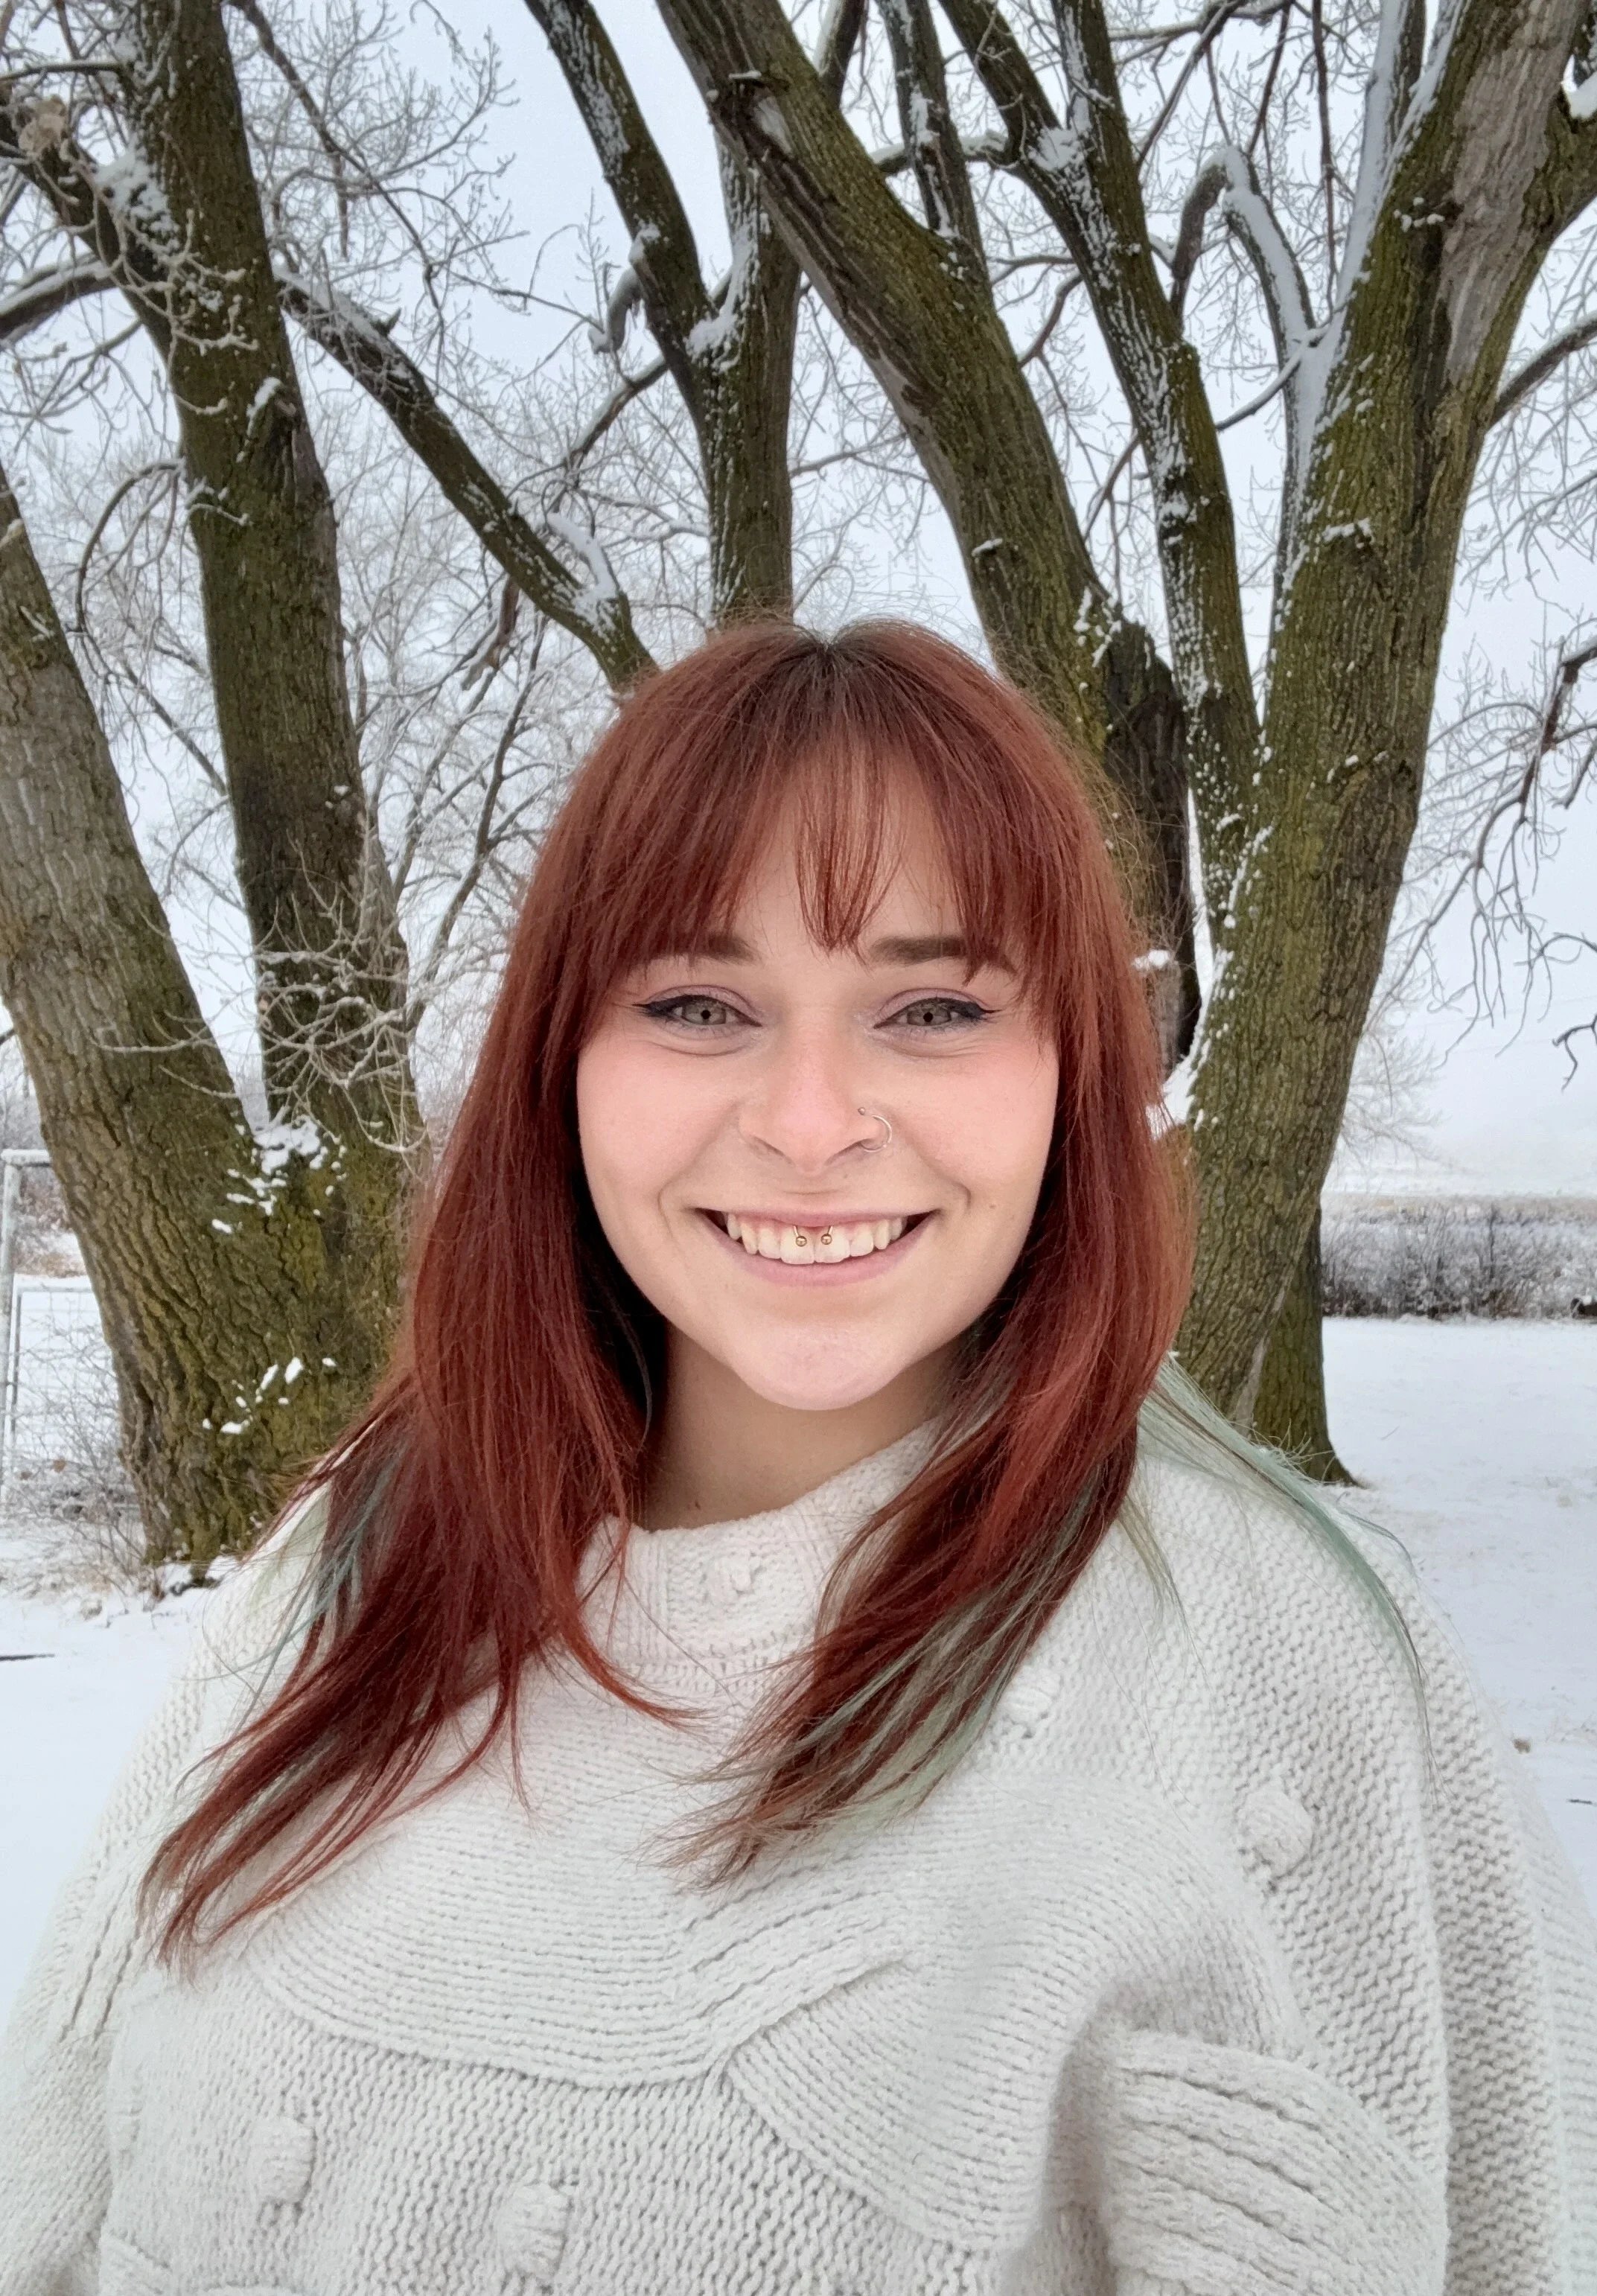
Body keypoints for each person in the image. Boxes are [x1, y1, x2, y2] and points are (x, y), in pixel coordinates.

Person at [1, 621, 1593, 2296]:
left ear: (1068, 1074)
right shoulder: (357, 1559)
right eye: (697, 1002)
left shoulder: (1287, 1671)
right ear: (562, 1064)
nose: (813, 1121)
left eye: (928, 1005)